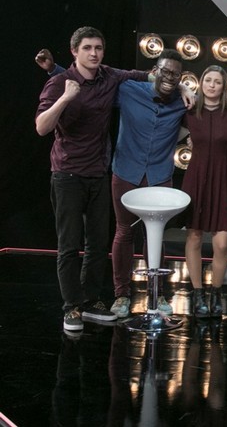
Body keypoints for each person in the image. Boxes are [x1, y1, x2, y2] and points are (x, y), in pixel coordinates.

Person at [38, 48, 192, 320]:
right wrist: (54, 70)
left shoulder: (184, 101)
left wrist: (188, 91)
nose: (170, 78)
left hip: (159, 174)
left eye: (175, 75)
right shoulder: (130, 90)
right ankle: (122, 294)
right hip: (126, 171)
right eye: (165, 72)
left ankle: (158, 294)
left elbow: (211, 107)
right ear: (154, 71)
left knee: (155, 235)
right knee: (124, 231)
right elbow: (90, 84)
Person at [36, 27, 150, 332]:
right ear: (74, 51)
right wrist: (65, 98)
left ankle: (89, 301)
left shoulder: (108, 76)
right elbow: (42, 127)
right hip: (67, 174)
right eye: (87, 48)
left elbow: (144, 76)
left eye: (98, 48)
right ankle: (71, 307)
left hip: (99, 172)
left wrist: (184, 89)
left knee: (98, 244)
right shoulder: (59, 82)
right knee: (69, 246)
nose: (94, 53)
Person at [182, 65, 227, 318]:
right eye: (207, 80)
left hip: (222, 181)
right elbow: (169, 135)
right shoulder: (189, 112)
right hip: (196, 180)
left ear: (224, 87)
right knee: (195, 237)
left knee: (222, 243)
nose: (211, 85)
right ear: (201, 83)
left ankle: (216, 292)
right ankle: (198, 293)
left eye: (217, 82)